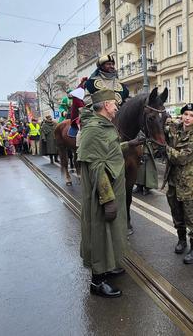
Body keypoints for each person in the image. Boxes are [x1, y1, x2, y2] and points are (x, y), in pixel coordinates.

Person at [77, 89, 129, 298]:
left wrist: (129, 145)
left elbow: (110, 152)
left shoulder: (104, 126)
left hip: (112, 191)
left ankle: (109, 266)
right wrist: (107, 200)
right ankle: (98, 281)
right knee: (99, 233)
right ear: (106, 105)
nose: (117, 107)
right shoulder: (94, 129)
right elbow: (97, 166)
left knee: (111, 231)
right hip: (103, 194)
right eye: (114, 103)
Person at [164, 103, 193, 264]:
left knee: (192, 219)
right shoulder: (176, 128)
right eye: (185, 114)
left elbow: (180, 158)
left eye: (192, 115)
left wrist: (164, 148)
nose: (187, 118)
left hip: (189, 184)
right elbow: (164, 122)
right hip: (173, 181)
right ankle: (182, 241)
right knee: (177, 215)